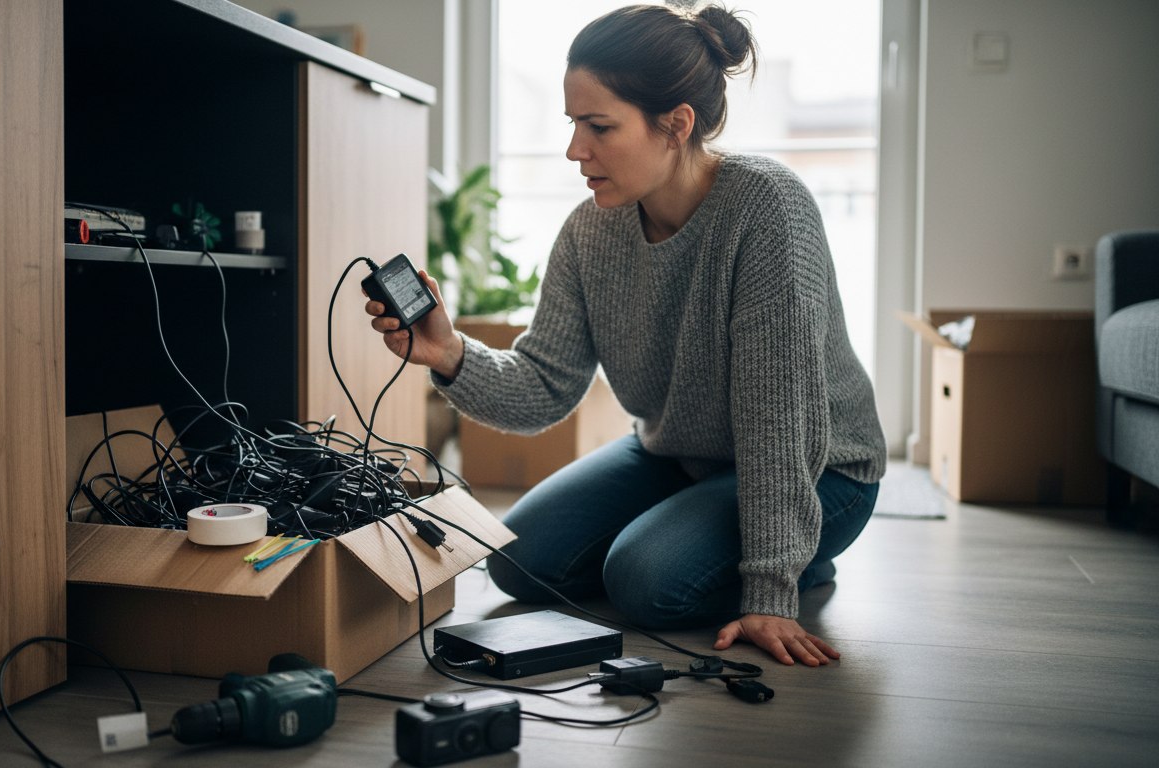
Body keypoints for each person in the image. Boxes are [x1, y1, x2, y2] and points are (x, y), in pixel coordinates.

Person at [366, 3, 886, 667]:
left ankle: (800, 560)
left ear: (676, 125)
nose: (574, 149)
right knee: (517, 563)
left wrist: (770, 589)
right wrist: (447, 353)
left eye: (599, 126)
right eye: (573, 123)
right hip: (680, 451)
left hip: (821, 469)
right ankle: (692, 533)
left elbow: (777, 422)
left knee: (644, 583)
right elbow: (545, 386)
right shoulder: (590, 232)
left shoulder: (767, 211)